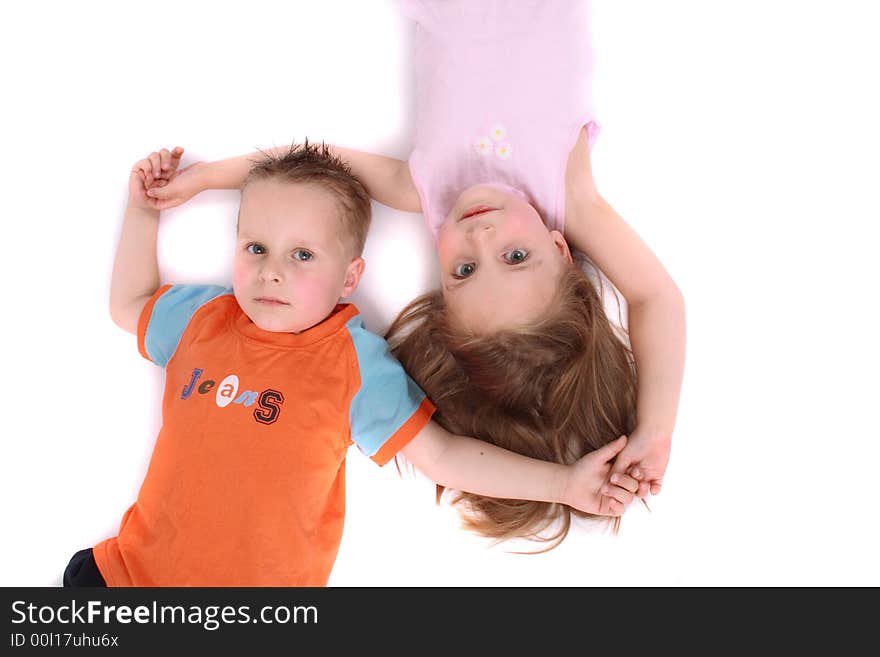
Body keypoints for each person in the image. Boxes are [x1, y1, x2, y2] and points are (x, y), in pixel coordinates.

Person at [146, 0, 686, 549]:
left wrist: (208, 178)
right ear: (560, 250)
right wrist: (655, 430)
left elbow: (317, 162)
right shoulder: (566, 194)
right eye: (517, 257)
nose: (482, 236)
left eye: (464, 270)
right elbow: (655, 296)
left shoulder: (422, 192)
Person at [63, 142, 640, 587]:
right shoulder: (202, 319)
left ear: (349, 278)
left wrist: (564, 484)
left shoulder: (354, 362)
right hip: (124, 582)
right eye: (255, 248)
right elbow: (128, 306)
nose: (273, 272)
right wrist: (143, 213)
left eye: (303, 255)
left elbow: (442, 457)